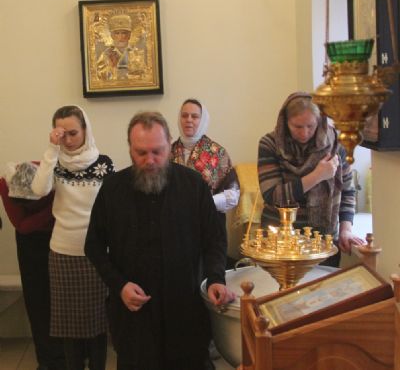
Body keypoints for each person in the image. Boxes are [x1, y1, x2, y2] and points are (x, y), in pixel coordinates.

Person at [85, 111, 235, 370]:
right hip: (134, 317)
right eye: (141, 153)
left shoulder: (193, 185)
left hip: (185, 312)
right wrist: (119, 285)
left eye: (158, 151)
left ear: (169, 144)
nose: (150, 160)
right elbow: (94, 246)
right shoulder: (112, 189)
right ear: (130, 149)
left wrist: (215, 279)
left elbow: (215, 240)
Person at [31, 105, 115, 370]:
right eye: (61, 134)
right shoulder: (54, 163)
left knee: (97, 324)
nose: (67, 140)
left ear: (85, 130)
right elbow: (39, 189)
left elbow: (112, 208)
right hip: (63, 253)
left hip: (96, 254)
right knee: (68, 327)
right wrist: (51, 150)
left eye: (73, 133)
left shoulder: (103, 163)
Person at [257, 92, 364, 267]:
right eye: (297, 126)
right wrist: (317, 176)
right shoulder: (270, 143)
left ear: (320, 120)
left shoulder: (336, 143)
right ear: (285, 122)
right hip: (280, 239)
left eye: (310, 126)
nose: (304, 133)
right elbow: (272, 195)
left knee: (323, 285)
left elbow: (347, 191)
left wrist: (346, 229)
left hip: (323, 239)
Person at [0, 162, 66, 370]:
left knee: (64, 299)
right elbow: (23, 226)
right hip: (30, 241)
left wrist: (56, 204)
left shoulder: (57, 178)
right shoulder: (5, 184)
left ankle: (69, 355)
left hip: (61, 235)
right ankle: (47, 360)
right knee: (37, 300)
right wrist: (54, 207)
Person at [171, 99, 240, 266]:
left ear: (203, 120)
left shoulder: (218, 153)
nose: (189, 120)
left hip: (209, 226)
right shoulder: (168, 151)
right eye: (184, 115)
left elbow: (233, 195)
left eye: (194, 116)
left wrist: (205, 203)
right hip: (176, 228)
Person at [96, 14, 135, 81]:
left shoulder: (136, 53)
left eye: (124, 33)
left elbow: (143, 74)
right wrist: (112, 67)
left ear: (129, 35)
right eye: (117, 33)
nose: (121, 37)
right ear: (112, 36)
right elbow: (99, 76)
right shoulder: (106, 54)